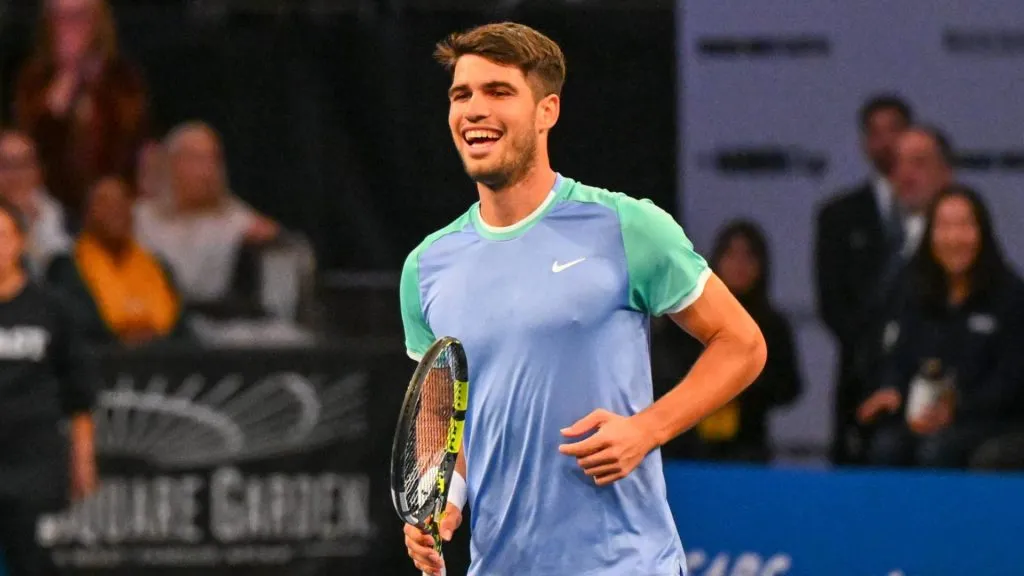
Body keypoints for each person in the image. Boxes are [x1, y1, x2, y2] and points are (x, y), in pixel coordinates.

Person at [399, 23, 766, 576]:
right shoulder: (426, 268)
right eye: (461, 94)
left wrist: (647, 429)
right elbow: (450, 426)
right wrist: (446, 503)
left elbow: (742, 344)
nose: (473, 108)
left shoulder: (626, 225)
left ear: (547, 111)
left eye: (498, 92)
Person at [857, 184, 1024, 468]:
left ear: (982, 233)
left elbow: (1012, 379)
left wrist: (956, 407)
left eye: (964, 226)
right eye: (944, 227)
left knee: (936, 451)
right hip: (924, 416)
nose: (954, 238)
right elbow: (899, 357)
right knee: (886, 446)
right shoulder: (915, 292)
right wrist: (891, 389)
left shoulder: (1010, 296)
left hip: (992, 420)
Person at [814, 94, 913, 464]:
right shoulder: (838, 215)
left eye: (895, 130)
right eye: (875, 132)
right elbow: (831, 302)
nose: (885, 141)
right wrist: (869, 350)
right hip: (858, 369)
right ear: (864, 142)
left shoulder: (940, 212)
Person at [0, 197, 96, 576]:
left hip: (34, 462)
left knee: (34, 563)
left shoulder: (52, 308)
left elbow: (79, 392)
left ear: (21, 241)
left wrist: (83, 462)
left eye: (3, 235)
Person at [653, 220, 802, 463]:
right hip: (684, 446)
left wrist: (741, 384)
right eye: (731, 254)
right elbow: (662, 373)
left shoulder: (772, 325)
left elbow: (789, 386)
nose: (739, 266)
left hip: (748, 449)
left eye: (749, 257)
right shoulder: (685, 315)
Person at [14, 0, 149, 222]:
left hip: (113, 203)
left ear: (98, 22)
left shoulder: (121, 78)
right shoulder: (34, 79)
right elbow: (30, 143)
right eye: (59, 18)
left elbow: (130, 139)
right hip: (48, 207)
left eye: (79, 17)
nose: (68, 27)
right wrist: (66, 80)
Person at [46, 176, 187, 346]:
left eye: (122, 203)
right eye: (104, 203)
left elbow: (180, 326)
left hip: (162, 361)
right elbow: (73, 328)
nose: (115, 210)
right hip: (101, 362)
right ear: (86, 214)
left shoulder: (159, 266)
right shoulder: (65, 269)